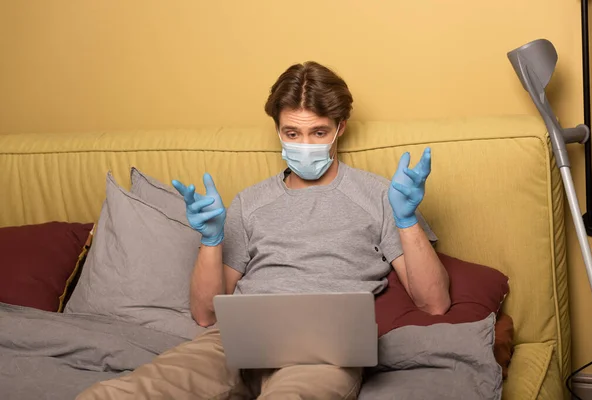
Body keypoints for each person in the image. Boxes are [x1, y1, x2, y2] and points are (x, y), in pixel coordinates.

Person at [78, 61, 450, 400]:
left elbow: (434, 302)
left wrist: (405, 220)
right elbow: (205, 315)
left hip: (323, 352)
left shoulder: (381, 195)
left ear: (340, 128)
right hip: (233, 342)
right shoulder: (249, 202)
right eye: (292, 132)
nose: (305, 145)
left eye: (318, 133)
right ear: (277, 130)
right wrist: (211, 240)